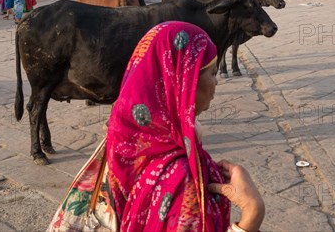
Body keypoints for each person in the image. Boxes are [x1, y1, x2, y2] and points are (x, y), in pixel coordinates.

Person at [106, 22, 265, 231]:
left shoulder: (128, 140)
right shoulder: (181, 180)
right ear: (184, 82)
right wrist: (253, 212)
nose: (216, 83)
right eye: (213, 73)